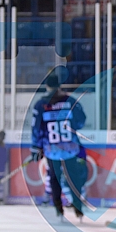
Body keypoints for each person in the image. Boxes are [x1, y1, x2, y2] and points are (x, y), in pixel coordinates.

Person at [31, 74, 87, 220]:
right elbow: (81, 120)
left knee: (54, 178)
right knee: (74, 178)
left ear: (47, 86)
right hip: (70, 147)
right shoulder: (70, 101)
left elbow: (36, 128)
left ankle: (58, 209)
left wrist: (36, 146)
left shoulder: (41, 104)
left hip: (52, 149)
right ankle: (78, 208)